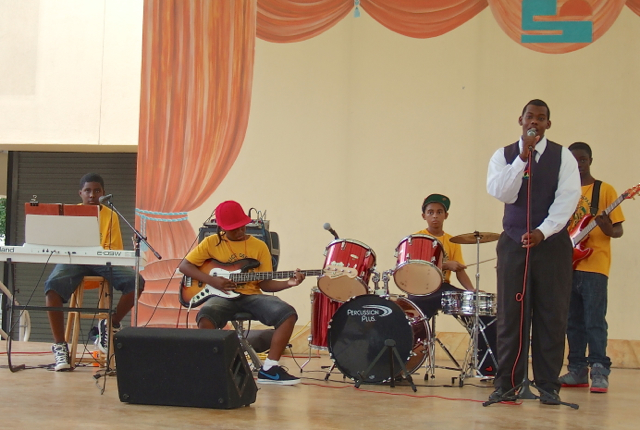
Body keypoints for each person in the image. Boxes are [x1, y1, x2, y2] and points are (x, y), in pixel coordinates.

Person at [486, 99, 581, 404]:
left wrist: (544, 231)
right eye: (530, 116)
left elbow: (568, 198)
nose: (535, 122)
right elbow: (502, 192)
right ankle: (507, 385)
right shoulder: (503, 155)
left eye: (541, 118)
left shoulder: (562, 156)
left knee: (551, 316)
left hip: (551, 246)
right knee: (511, 317)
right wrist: (522, 158)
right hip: (514, 245)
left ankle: (548, 386)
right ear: (520, 120)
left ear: (548, 124)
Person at [179, 200, 305, 386]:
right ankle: (214, 367)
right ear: (221, 228)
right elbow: (184, 266)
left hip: (252, 296)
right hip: (219, 296)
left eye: (242, 227)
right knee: (206, 316)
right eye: (233, 229)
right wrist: (213, 281)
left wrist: (289, 283)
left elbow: (266, 284)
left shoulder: (259, 246)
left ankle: (270, 369)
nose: (240, 232)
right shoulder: (211, 243)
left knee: (287, 313)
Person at [45, 173, 145, 371]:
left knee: (136, 281)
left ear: (103, 193)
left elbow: (115, 248)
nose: (92, 195)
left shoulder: (111, 214)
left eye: (97, 191)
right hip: (74, 259)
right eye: (88, 191)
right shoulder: (70, 212)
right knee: (52, 287)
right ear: (80, 193)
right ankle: (60, 346)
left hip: (102, 260)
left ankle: (110, 324)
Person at [558, 142, 624, 394]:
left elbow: (617, 230)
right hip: (568, 265)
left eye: (583, 160)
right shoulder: (564, 191)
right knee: (572, 321)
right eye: (574, 161)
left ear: (590, 160)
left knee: (594, 320)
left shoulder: (604, 190)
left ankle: (599, 369)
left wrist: (606, 226)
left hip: (595, 266)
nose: (579, 165)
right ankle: (576, 369)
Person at [407, 194, 497, 376]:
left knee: (483, 312)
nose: (435, 216)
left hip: (443, 289)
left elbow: (460, 270)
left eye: (439, 212)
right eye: (430, 212)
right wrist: (445, 265)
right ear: (423, 215)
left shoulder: (452, 241)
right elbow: (416, 267)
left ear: (446, 216)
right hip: (420, 290)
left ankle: (486, 367)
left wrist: (472, 291)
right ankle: (403, 363)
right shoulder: (417, 238)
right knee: (408, 323)